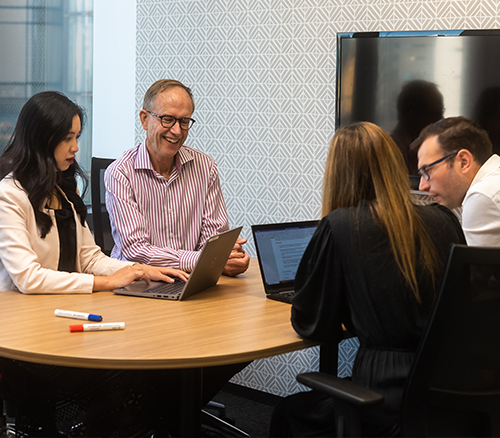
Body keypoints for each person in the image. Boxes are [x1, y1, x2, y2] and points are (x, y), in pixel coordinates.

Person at [0, 91, 188, 436]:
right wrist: (106, 283)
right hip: (25, 336)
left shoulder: (62, 190)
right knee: (127, 378)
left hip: (62, 318)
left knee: (145, 364)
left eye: (77, 138)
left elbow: (87, 257)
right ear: (43, 138)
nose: (75, 148)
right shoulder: (9, 195)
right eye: (67, 138)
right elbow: (28, 278)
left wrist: (135, 269)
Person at [270, 122, 465, 438]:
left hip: (382, 400)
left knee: (288, 413)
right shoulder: (444, 218)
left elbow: (312, 324)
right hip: (451, 396)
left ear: (338, 173)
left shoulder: (341, 225)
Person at [105, 79, 250, 275]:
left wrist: (227, 259)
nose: (177, 131)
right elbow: (136, 251)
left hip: (192, 280)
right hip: (138, 284)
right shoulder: (120, 173)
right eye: (167, 119)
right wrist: (206, 258)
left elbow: (214, 238)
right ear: (144, 119)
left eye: (184, 121)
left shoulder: (205, 167)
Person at [413, 116, 500, 247]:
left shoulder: (481, 197)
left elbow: (481, 268)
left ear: (463, 162)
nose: (422, 186)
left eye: (428, 171)